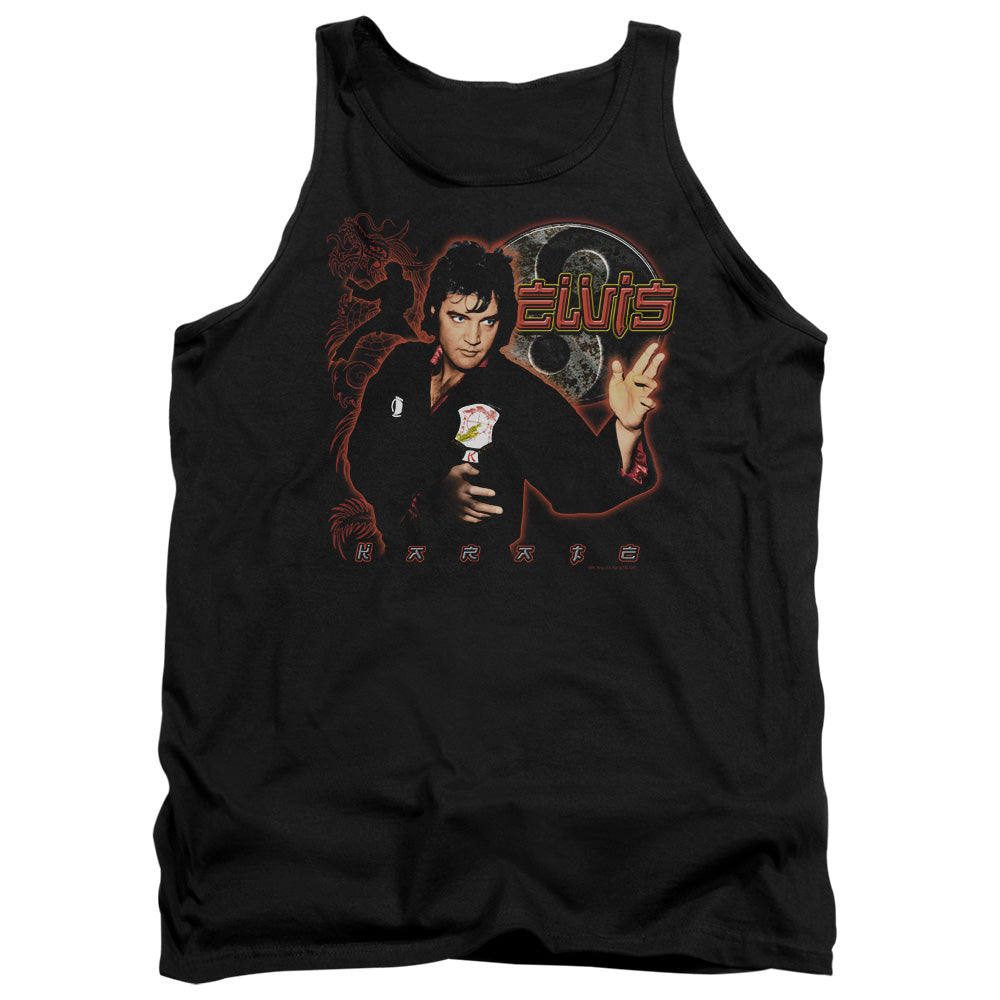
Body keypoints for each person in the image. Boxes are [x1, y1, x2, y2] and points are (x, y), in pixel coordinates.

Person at [346, 241, 663, 555]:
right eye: (459, 318)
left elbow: (577, 483)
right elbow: (362, 455)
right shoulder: (403, 364)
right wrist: (432, 494)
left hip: (478, 570)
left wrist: (627, 428)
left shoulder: (517, 392)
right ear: (434, 311)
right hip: (394, 564)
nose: (473, 338)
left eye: (488, 321)